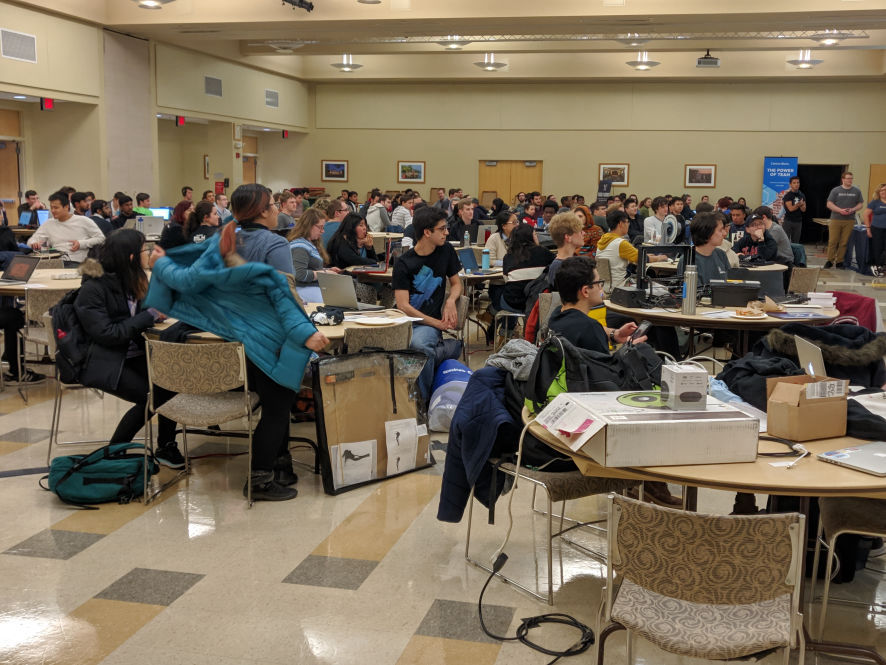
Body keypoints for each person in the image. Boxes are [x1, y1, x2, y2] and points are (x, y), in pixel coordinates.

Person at [148, 199, 330, 501]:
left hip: (226, 339)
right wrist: (306, 332)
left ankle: (273, 469)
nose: (277, 209)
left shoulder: (222, 240)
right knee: (277, 406)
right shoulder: (273, 244)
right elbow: (284, 294)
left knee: (273, 401)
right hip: (267, 337)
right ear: (262, 211)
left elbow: (187, 280)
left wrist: (161, 264)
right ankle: (264, 476)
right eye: (272, 204)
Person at [74, 229, 184, 468]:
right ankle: (114, 452)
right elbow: (108, 334)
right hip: (101, 359)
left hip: (131, 352)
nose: (149, 253)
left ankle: (165, 446)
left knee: (171, 381)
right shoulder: (94, 287)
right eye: (145, 249)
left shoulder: (134, 279)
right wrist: (149, 315)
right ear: (132, 257)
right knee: (154, 396)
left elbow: (141, 313)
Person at [392, 206, 462, 401]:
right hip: (406, 321)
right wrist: (437, 323)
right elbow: (403, 306)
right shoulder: (404, 263)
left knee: (419, 346)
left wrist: (450, 300)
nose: (446, 233)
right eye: (442, 229)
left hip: (425, 326)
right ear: (427, 232)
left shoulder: (446, 250)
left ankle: (422, 402)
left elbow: (457, 284)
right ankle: (444, 350)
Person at [549, 255, 644, 354]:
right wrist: (628, 349)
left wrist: (614, 334)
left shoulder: (556, 315)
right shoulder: (590, 328)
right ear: (585, 291)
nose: (600, 287)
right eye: (598, 283)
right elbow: (606, 364)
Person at [29, 191, 105, 266]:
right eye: (51, 208)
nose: (53, 211)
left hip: (77, 262)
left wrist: (81, 244)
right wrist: (34, 243)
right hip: (55, 261)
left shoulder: (83, 221)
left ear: (66, 207)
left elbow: (101, 238)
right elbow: (31, 241)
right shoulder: (48, 223)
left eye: (56, 208)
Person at [234, 184, 293, 273]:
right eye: (275, 204)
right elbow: (286, 280)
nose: (278, 210)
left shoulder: (224, 240)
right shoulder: (277, 243)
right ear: (263, 211)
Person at [288, 207, 339, 302]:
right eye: (320, 227)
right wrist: (325, 273)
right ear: (309, 225)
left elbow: (311, 269)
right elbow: (300, 274)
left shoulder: (308, 243)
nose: (323, 231)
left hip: (311, 288)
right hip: (303, 289)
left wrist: (326, 270)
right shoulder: (299, 246)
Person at [501, 223, 553, 312]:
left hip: (513, 302)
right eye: (535, 234)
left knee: (501, 292)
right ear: (531, 237)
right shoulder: (543, 252)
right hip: (537, 301)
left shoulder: (508, 256)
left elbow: (506, 279)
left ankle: (502, 319)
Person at [825, 171, 865, 269]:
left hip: (849, 220)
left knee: (844, 242)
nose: (850, 180)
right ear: (843, 179)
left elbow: (860, 204)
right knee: (833, 241)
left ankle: (839, 261)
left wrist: (853, 209)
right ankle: (830, 260)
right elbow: (829, 204)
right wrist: (840, 210)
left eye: (851, 178)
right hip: (836, 219)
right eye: (848, 178)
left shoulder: (856, 191)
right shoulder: (835, 190)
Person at [687, 212, 731, 284]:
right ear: (707, 233)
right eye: (720, 230)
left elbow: (730, 285)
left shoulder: (721, 254)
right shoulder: (689, 259)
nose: (725, 233)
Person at [546, 211, 585, 288]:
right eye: (580, 231)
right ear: (568, 237)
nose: (584, 233)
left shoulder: (565, 263)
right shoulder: (559, 267)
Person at [866, 184, 886, 276]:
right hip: (877, 229)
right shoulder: (874, 202)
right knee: (877, 249)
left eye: (885, 190)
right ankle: (877, 267)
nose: (884, 192)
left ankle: (883, 266)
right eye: (882, 190)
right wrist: (868, 229)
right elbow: (866, 215)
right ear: (879, 192)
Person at [781, 176, 806, 243]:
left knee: (796, 242)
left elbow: (803, 210)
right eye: (794, 183)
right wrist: (799, 204)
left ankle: (794, 250)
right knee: (785, 241)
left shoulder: (802, 195)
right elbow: (791, 209)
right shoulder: (788, 196)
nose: (796, 184)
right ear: (790, 184)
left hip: (798, 222)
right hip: (788, 221)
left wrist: (801, 205)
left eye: (798, 182)